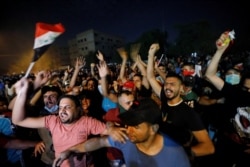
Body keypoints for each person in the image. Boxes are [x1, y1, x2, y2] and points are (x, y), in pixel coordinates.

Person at [11, 71, 127, 167]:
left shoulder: (86, 121)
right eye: (61, 107)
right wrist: (22, 93)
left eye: (67, 107)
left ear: (78, 110)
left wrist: (111, 128)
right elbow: (18, 120)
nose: (62, 111)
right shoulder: (52, 121)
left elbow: (107, 127)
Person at [53, 98, 191, 167]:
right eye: (128, 125)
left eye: (135, 126)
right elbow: (99, 142)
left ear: (153, 129)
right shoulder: (126, 138)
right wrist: (70, 150)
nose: (128, 130)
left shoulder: (176, 155)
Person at [146, 43, 214, 162]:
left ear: (182, 89)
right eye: (166, 84)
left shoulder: (189, 113)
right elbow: (151, 77)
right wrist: (151, 55)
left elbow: (209, 147)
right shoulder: (164, 97)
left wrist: (180, 153)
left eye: (172, 85)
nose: (167, 87)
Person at [205, 30, 250, 167]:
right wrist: (219, 52)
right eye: (246, 88)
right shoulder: (235, 93)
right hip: (226, 148)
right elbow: (210, 75)